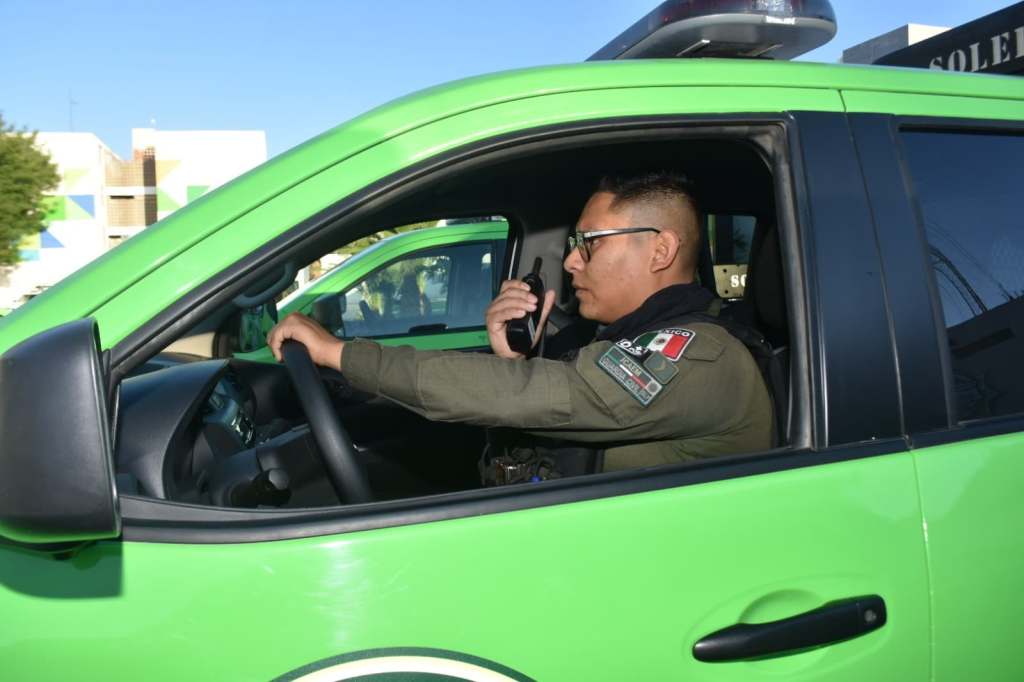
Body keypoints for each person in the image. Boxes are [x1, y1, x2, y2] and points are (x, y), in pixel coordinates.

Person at [267, 172, 773, 479]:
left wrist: (339, 353)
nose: (571, 262)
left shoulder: (698, 356)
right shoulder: (618, 340)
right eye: (573, 245)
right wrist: (512, 360)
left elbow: (545, 395)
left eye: (589, 243)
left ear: (660, 250)